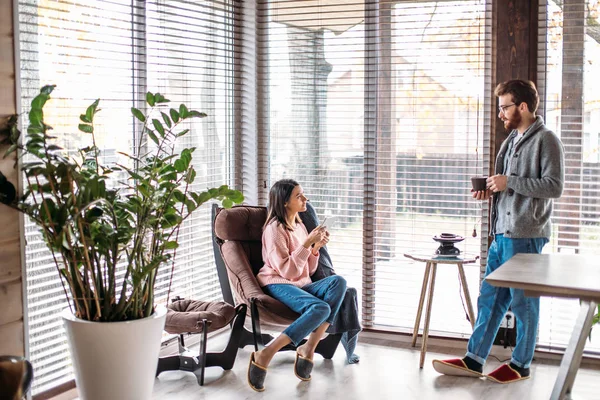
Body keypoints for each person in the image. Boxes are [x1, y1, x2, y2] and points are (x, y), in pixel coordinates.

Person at [432, 79, 564, 383]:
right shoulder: (510, 141)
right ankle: (474, 359)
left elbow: (554, 186)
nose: (500, 113)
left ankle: (521, 364)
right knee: (490, 298)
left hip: (526, 235)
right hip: (501, 233)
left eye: (505, 107)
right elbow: (508, 185)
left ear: (523, 106)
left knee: (523, 302)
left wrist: (509, 182)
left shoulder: (547, 140)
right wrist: (492, 189)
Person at [247, 179, 347, 392]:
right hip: (277, 283)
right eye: (299, 196)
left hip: (300, 284)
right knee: (321, 308)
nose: (305, 199)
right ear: (284, 202)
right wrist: (305, 244)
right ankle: (266, 353)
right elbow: (287, 272)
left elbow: (307, 271)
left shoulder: (300, 225)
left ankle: (308, 347)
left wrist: (315, 248)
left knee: (339, 282)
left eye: (303, 194)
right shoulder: (274, 230)